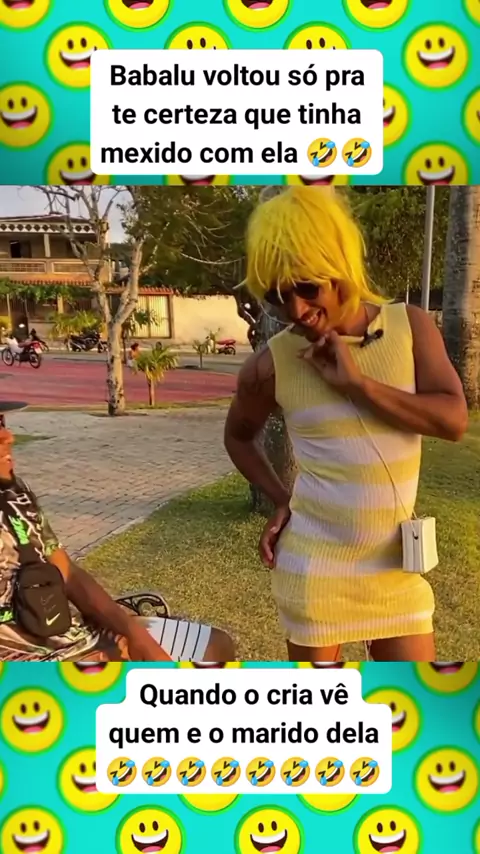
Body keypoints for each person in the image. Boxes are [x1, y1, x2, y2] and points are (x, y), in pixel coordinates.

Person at [224, 187, 468, 663]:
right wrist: (281, 499)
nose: (295, 310)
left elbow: (453, 420)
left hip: (396, 571)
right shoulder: (271, 365)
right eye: (276, 296)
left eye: (307, 287)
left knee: (413, 700)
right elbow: (238, 436)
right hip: (315, 569)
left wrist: (358, 385)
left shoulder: (410, 328)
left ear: (339, 265)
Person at [0, 401, 235, 663]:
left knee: (214, 646)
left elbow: (67, 572)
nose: (8, 437)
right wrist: (96, 660)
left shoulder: (15, 493)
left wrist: (134, 634)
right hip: (28, 665)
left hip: (69, 634)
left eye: (2, 422)